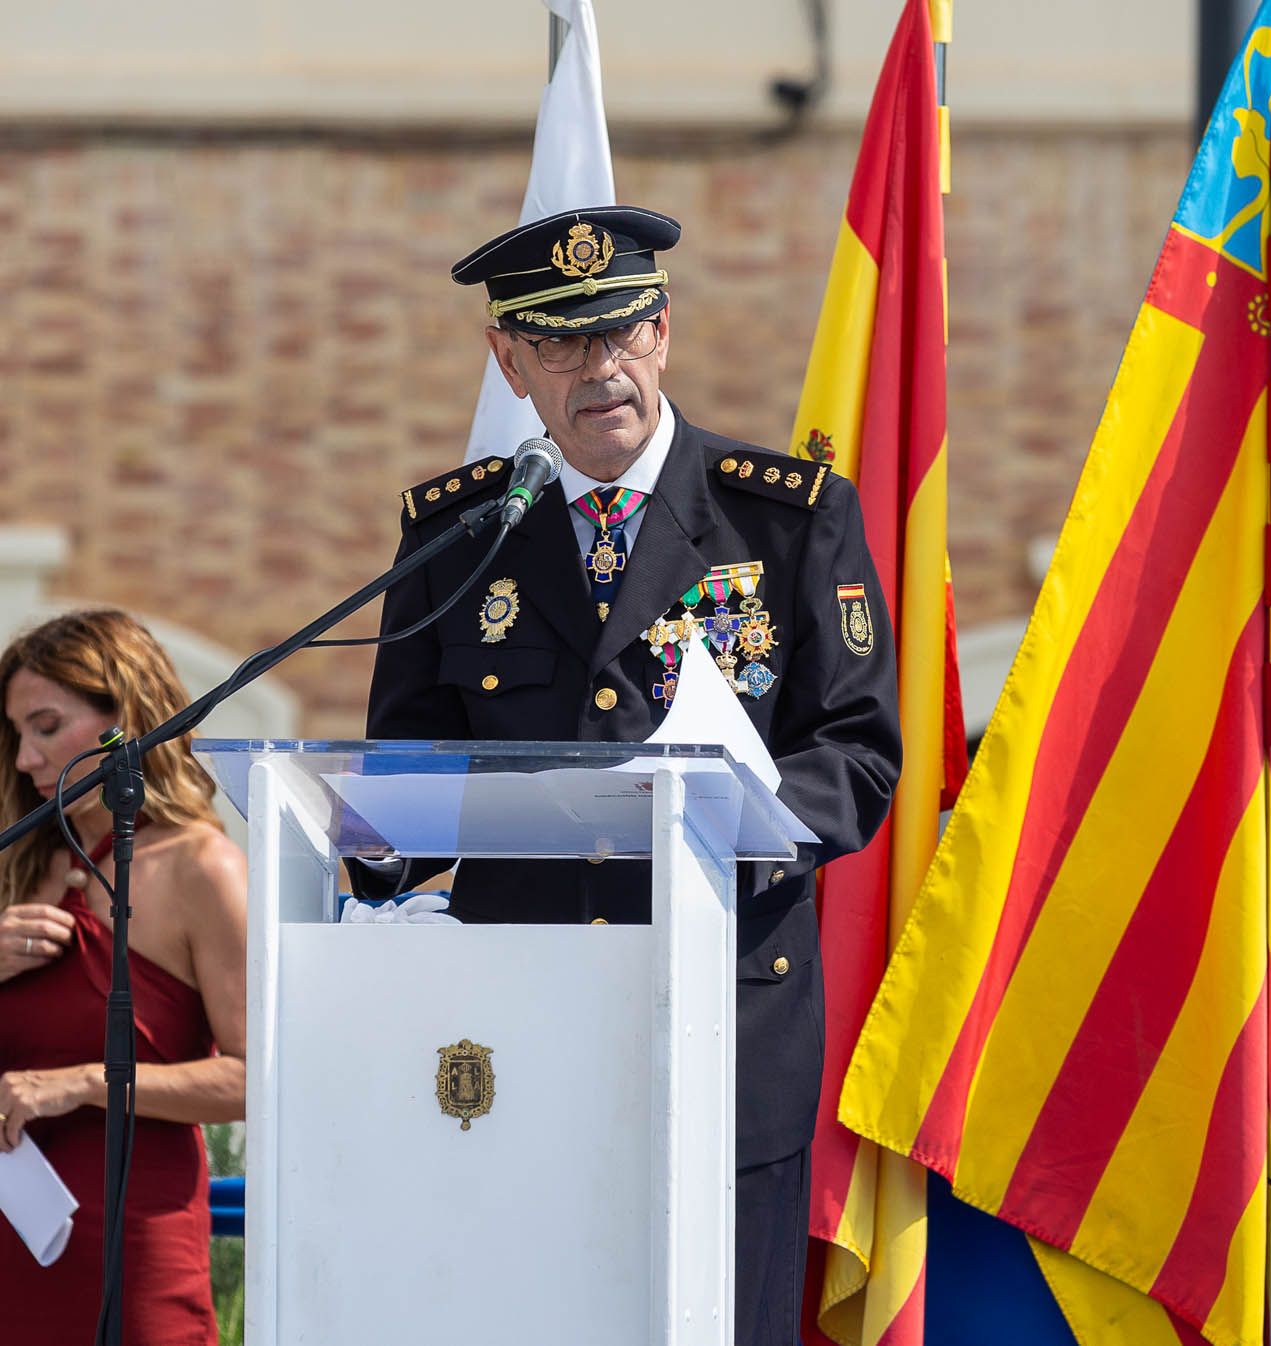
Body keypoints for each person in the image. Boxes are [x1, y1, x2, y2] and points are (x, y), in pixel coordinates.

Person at [351, 206, 902, 1345]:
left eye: (621, 333)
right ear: (508, 359)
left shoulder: (787, 521)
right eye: (561, 342)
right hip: (524, 1011)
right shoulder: (458, 540)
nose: (600, 369)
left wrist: (721, 809)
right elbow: (406, 760)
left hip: (725, 1010)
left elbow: (858, 752)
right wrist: (377, 843)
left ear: (663, 331)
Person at [0, 609, 248, 1345]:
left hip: (133, 1248)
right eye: (16, 734)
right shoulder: (14, 864)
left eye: (46, 726)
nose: (24, 759)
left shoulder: (203, 869)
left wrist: (78, 1083)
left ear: (126, 722)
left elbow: (255, 1079)